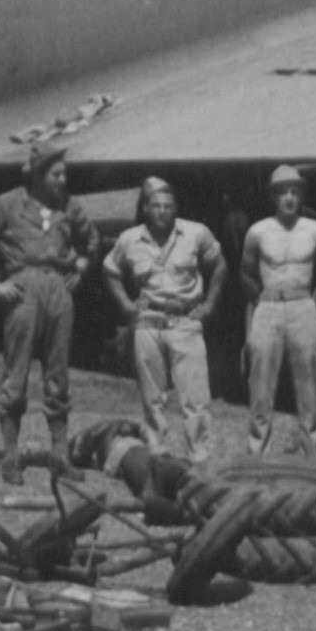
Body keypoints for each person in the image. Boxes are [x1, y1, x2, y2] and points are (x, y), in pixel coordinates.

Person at [0, 146, 100, 477]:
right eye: (56, 174)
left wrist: (82, 267)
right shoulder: (7, 205)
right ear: (37, 175)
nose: (63, 180)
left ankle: (59, 454)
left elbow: (91, 240)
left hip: (58, 290)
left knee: (58, 376)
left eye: (64, 174)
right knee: (16, 375)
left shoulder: (70, 206)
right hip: (23, 290)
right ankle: (11, 455)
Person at [104, 174, 228, 460]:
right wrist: (125, 305)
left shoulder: (196, 233)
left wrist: (209, 305)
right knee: (153, 397)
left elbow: (220, 267)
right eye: (156, 206)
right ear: (145, 209)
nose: (162, 211)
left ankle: (200, 456)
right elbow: (110, 271)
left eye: (168, 206)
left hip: (186, 322)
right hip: (148, 323)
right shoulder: (130, 239)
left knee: (195, 398)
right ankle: (157, 455)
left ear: (176, 208)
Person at [238, 165, 316, 454]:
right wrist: (260, 299)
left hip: (303, 305)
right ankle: (258, 452)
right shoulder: (258, 231)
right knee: (261, 383)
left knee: (308, 381)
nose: (290, 198)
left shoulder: (315, 230)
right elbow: (244, 272)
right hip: (268, 306)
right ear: (273, 197)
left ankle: (312, 450)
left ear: (302, 195)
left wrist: (312, 303)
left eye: (295, 191)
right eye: (283, 192)